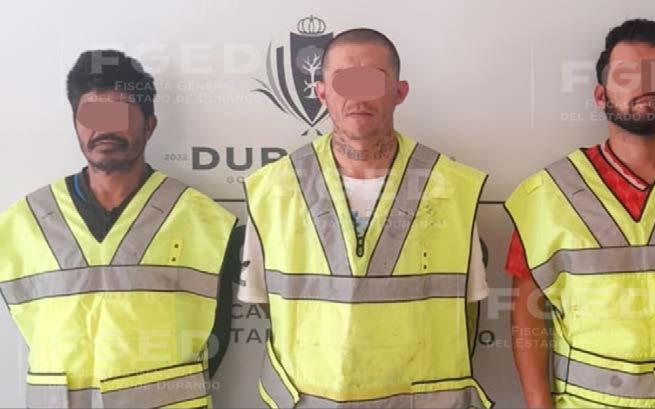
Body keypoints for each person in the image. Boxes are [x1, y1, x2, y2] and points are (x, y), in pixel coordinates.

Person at [238, 28, 493, 408]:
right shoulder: (272, 190)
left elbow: (467, 309)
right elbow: (265, 303)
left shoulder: (452, 188)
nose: (357, 96)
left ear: (399, 92)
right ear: (321, 92)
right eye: (344, 81)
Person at [506, 19, 655, 408]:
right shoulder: (546, 196)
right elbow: (527, 313)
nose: (648, 85)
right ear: (600, 96)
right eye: (629, 74)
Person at [0, 49, 241, 408]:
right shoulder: (22, 223)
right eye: (91, 116)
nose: (104, 129)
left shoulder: (208, 223)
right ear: (75, 125)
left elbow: (216, 341)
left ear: (149, 125)